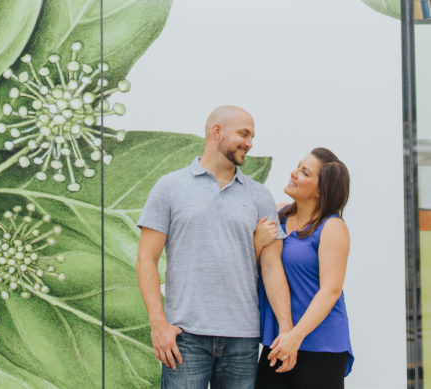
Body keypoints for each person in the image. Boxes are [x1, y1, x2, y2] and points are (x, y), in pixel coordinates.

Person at [136, 105, 296, 389]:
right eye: (244, 134)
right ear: (217, 131)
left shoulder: (259, 196)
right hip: (185, 337)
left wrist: (286, 330)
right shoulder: (170, 187)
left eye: (253, 137)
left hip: (243, 338)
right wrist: (158, 325)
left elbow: (271, 267)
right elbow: (147, 259)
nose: (249, 143)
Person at [254, 147, 353, 389]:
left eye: (305, 172)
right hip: (278, 341)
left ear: (321, 190)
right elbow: (260, 268)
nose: (294, 173)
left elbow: (331, 290)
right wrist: (257, 242)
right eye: (298, 166)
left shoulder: (332, 227)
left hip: (320, 345)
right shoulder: (278, 215)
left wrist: (295, 337)